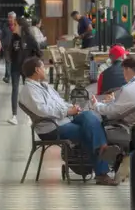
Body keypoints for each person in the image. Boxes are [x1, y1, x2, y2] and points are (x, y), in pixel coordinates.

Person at [19, 57, 121, 186]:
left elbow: (60, 102)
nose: (45, 70)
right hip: (51, 128)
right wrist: (67, 112)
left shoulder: (43, 85)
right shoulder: (29, 90)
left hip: (63, 119)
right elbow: (42, 110)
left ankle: (102, 149)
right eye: (43, 68)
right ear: (37, 70)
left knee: (88, 115)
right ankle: (102, 167)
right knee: (89, 130)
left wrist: (72, 108)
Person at [2, 15, 41, 124]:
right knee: (14, 90)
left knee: (28, 91)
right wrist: (9, 58)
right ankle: (14, 115)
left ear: (21, 26)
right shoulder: (13, 37)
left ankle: (29, 116)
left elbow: (38, 52)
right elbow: (9, 49)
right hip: (15, 67)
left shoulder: (29, 38)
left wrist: (32, 62)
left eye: (15, 24)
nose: (13, 26)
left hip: (27, 69)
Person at [93, 56, 135, 121]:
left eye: (123, 70)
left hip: (131, 125)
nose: (123, 73)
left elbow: (113, 114)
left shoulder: (127, 89)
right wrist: (113, 101)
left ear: (128, 69)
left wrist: (96, 105)